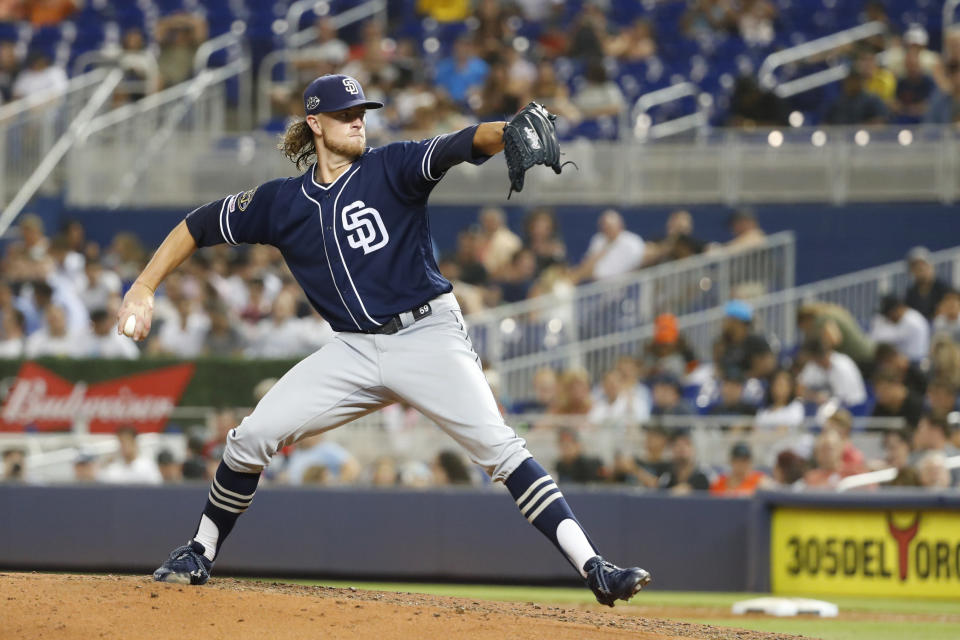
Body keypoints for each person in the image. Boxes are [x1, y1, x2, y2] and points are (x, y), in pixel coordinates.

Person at [123, 74, 649, 604]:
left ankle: (595, 567)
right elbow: (197, 224)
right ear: (315, 124)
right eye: (346, 112)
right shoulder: (282, 202)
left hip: (428, 335)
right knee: (249, 438)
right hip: (353, 349)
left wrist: (505, 129)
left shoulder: (391, 167)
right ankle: (199, 550)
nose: (358, 119)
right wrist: (144, 286)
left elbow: (460, 144)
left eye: (362, 111)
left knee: (500, 449)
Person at [870, 295, 930, 364]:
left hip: (915, 362)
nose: (889, 319)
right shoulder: (910, 315)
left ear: (896, 310)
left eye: (889, 315)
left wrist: (878, 321)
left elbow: (877, 338)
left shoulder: (911, 322)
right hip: (912, 360)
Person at [98, 426, 164, 485]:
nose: (124, 446)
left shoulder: (147, 466)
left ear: (134, 442)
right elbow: (101, 482)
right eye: (121, 442)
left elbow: (157, 486)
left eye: (127, 441)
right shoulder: (113, 467)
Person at [658, 430, 712, 495]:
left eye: (686, 444)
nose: (682, 448)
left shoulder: (703, 476)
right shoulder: (666, 476)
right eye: (677, 444)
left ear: (693, 449)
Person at [904, 246, 949, 320]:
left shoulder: (944, 289)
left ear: (930, 266)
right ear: (911, 271)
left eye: (923, 264)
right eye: (915, 266)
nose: (920, 268)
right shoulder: (910, 294)